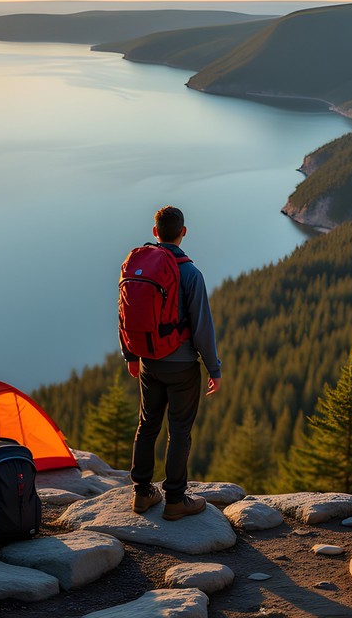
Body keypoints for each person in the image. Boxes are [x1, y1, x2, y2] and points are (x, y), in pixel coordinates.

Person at [125, 205, 222, 521]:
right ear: (183, 232)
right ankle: (175, 500)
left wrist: (131, 355)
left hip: (148, 363)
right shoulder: (191, 273)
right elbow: (202, 327)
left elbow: (125, 313)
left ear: (155, 232)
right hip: (181, 367)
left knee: (147, 424)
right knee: (179, 430)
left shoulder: (138, 267)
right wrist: (214, 368)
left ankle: (141, 494)